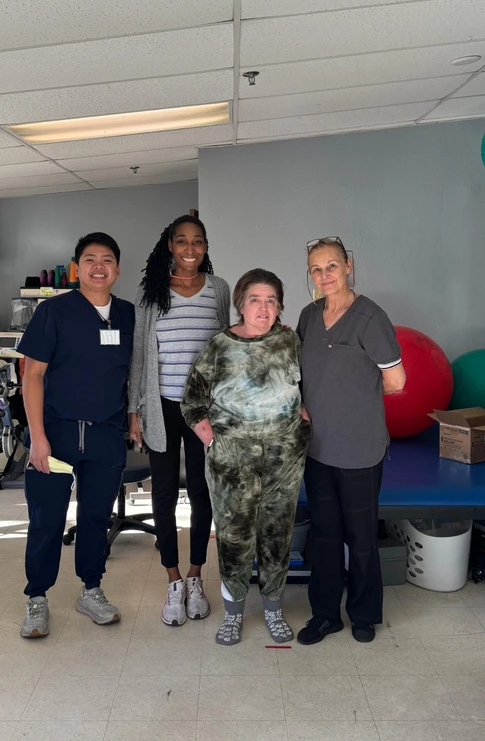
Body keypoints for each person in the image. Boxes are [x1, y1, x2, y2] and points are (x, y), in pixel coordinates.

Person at [181, 269, 311, 646]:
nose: (264, 307)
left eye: (271, 300)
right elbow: (192, 401)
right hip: (231, 465)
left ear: (280, 307)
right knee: (234, 540)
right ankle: (234, 614)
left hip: (283, 463)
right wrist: (212, 440)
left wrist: (304, 423)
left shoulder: (290, 341)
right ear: (240, 304)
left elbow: (313, 387)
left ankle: (272, 608)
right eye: (255, 299)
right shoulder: (219, 345)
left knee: (276, 538)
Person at [17, 232, 134, 638]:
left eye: (106, 260)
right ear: (77, 268)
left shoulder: (128, 315)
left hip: (105, 436)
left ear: (117, 270)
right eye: (89, 259)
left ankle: (91, 589)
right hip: (57, 434)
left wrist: (133, 420)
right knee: (46, 519)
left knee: (95, 518)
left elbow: (133, 376)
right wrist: (37, 437)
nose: (98, 266)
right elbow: (31, 376)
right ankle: (37, 598)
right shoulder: (54, 312)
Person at [295, 237, 406, 646]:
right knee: (324, 535)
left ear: (348, 265)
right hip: (319, 448)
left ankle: (363, 612)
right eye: (316, 269)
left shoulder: (370, 317)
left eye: (331, 266)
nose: (324, 275)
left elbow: (396, 381)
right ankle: (325, 615)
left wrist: (349, 401)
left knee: (361, 535)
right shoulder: (308, 316)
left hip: (360, 448)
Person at [128, 215, 230, 626]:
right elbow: (139, 355)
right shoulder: (150, 293)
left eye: (198, 242)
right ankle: (171, 578)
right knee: (165, 493)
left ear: (206, 246)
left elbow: (228, 343)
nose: (191, 249)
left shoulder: (219, 289)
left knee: (205, 491)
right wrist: (134, 410)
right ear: (169, 245)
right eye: (182, 241)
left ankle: (195, 576)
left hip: (205, 410)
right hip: (162, 406)